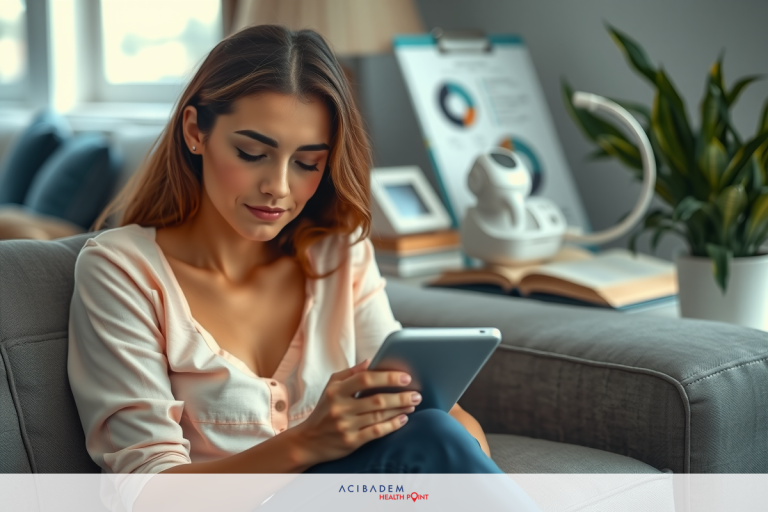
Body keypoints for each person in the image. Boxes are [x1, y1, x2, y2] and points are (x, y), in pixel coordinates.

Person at [67, 24, 532, 511]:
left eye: (307, 163)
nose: (279, 187)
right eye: (252, 153)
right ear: (194, 131)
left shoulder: (340, 255)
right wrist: (307, 441)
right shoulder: (122, 269)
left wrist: (459, 456)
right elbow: (147, 496)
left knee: (433, 427)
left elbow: (435, 416)